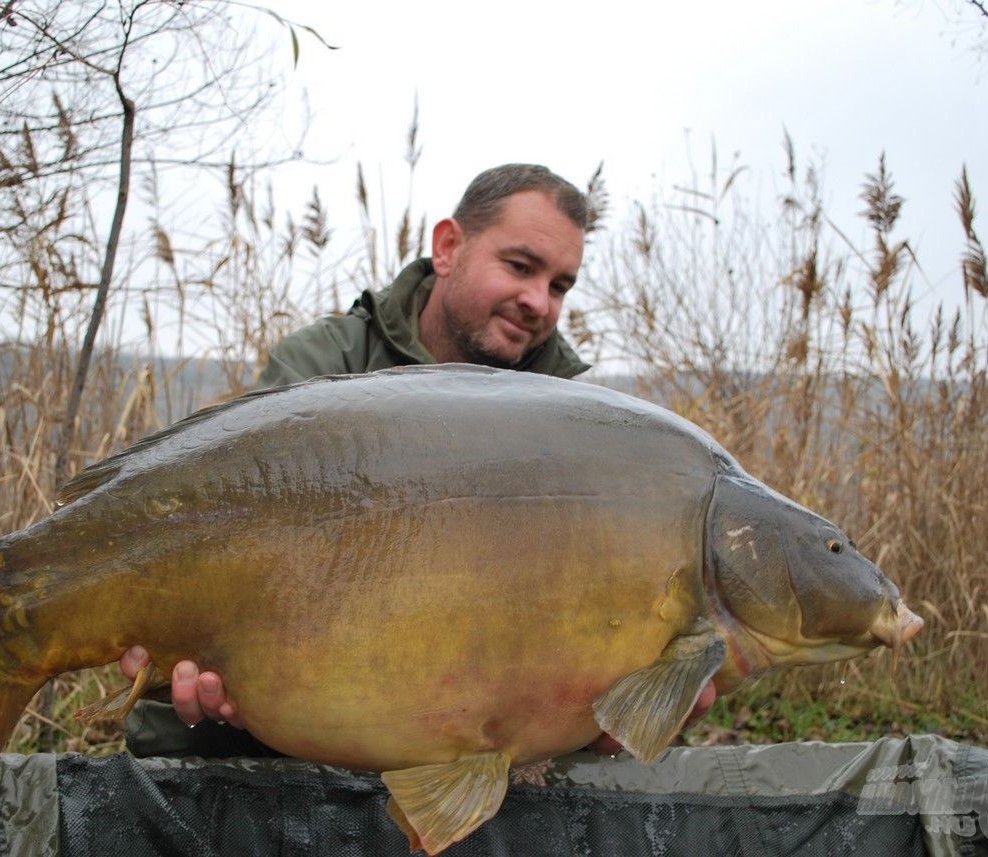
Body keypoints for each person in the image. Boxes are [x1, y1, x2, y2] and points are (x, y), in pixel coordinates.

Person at [119, 163, 715, 758]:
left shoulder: (590, 432)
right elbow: (215, 527)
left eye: (560, 286)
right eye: (520, 267)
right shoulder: (327, 363)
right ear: (449, 247)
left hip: (467, 736)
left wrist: (621, 718)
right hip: (301, 708)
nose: (538, 301)